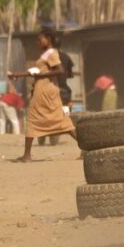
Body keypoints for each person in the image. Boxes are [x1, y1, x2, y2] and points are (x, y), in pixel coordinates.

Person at [7, 29, 78, 162]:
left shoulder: (51, 53)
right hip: (42, 90)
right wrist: (17, 75)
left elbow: (60, 70)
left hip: (46, 91)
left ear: (48, 39)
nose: (38, 42)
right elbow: (36, 71)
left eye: (40, 39)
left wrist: (41, 75)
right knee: (61, 121)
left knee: (35, 118)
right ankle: (86, 148)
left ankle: (27, 155)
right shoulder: (45, 54)